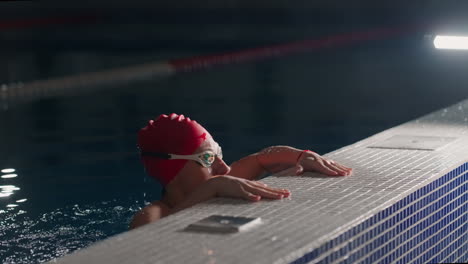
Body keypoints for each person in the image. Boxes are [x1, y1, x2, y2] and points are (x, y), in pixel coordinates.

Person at [130, 113, 352, 229]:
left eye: (219, 153)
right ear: (173, 170)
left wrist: (301, 155)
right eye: (207, 158)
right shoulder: (151, 216)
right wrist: (211, 188)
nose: (223, 167)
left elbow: (261, 158)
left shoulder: (222, 179)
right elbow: (150, 245)